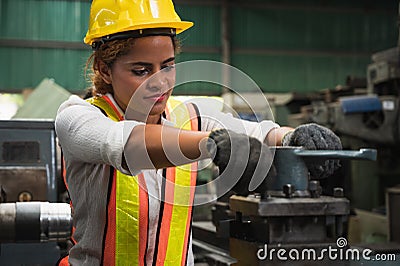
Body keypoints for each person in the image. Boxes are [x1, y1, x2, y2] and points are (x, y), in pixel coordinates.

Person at [55, 0, 342, 265]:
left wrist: (295, 137)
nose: (160, 83)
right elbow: (126, 143)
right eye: (141, 70)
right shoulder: (78, 117)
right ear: (104, 69)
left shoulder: (190, 117)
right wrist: (213, 145)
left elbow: (262, 133)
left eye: (167, 66)